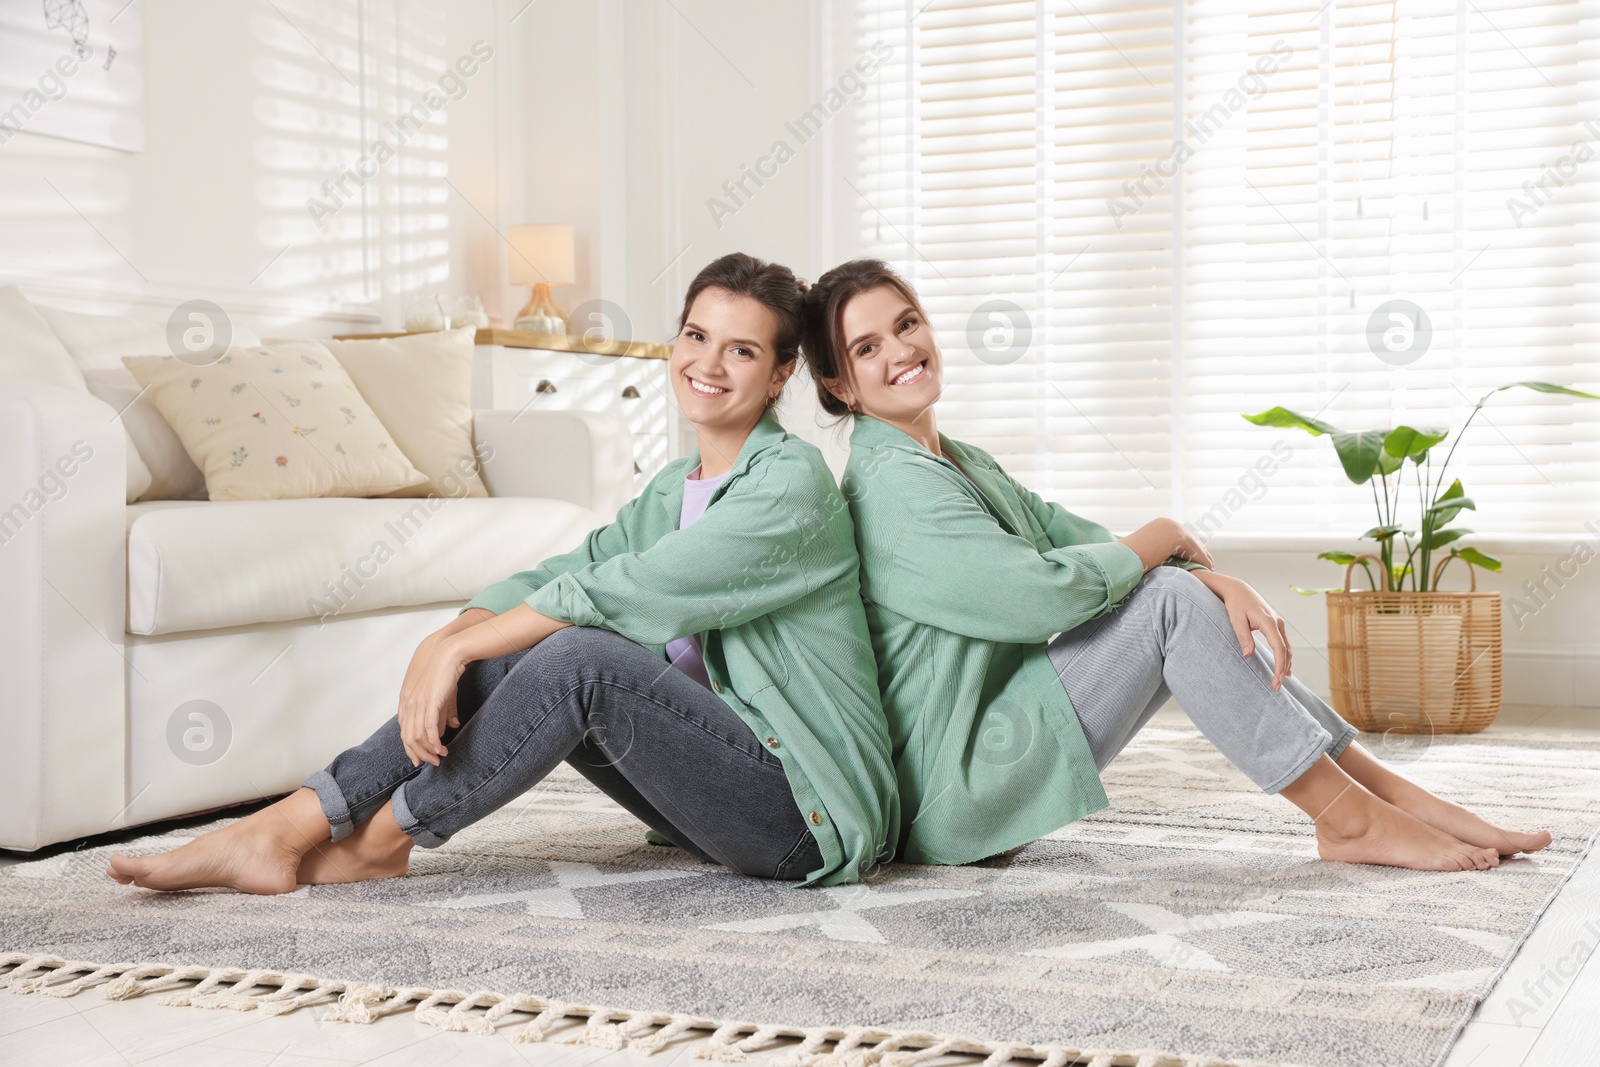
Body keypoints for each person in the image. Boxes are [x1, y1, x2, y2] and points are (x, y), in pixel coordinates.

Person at [107, 253, 900, 894]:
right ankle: (297, 819)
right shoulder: (672, 488)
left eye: (742, 349)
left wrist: (458, 651)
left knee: (581, 653)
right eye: (695, 335)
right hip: (710, 808)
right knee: (533, 634)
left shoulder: (789, 484)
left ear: (780, 372)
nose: (707, 363)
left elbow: (620, 593)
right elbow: (573, 565)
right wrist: (453, 631)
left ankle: (378, 840)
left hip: (807, 815)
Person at [798, 257, 1551, 873]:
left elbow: (1075, 538)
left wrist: (1207, 573)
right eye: (867, 348)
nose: (900, 351)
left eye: (907, 323)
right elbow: (1038, 597)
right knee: (1164, 603)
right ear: (840, 385)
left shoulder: (955, 458)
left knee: (1168, 592)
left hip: (999, 742)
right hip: (958, 787)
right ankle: (1349, 818)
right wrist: (1169, 536)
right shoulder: (892, 485)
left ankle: (1390, 795)